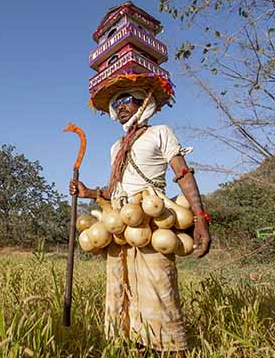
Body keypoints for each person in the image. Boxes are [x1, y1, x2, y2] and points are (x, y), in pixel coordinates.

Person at [70, 89, 212, 356]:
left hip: (152, 220)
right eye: (116, 103)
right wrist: (89, 192)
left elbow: (182, 174)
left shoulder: (161, 132)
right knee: (123, 290)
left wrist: (199, 217)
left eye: (126, 99)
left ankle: (172, 350)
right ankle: (136, 348)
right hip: (121, 224)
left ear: (144, 101)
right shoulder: (116, 147)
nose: (120, 106)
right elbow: (116, 190)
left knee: (160, 292)